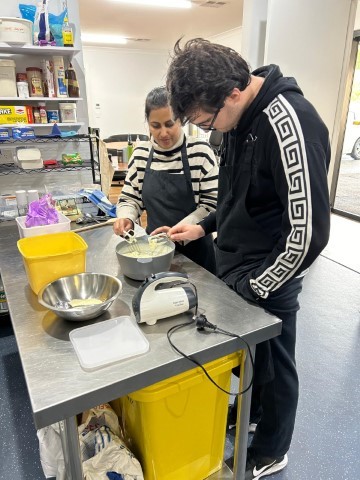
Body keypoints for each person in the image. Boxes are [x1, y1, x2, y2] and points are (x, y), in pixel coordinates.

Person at [165, 38, 331, 479]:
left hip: (269, 274)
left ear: (233, 93)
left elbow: (308, 233)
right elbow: (243, 196)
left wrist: (256, 285)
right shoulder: (238, 120)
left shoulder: (291, 123)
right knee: (253, 358)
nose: (206, 130)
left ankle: (272, 448)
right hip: (235, 268)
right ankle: (252, 415)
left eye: (206, 121)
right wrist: (204, 225)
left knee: (276, 365)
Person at [113, 86, 218, 273]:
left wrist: (180, 231)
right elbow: (130, 198)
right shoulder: (140, 155)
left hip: (197, 257)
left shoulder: (200, 152)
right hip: (154, 251)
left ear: (181, 119)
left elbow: (212, 205)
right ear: (148, 123)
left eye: (169, 124)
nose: (163, 133)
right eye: (156, 126)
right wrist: (126, 217)